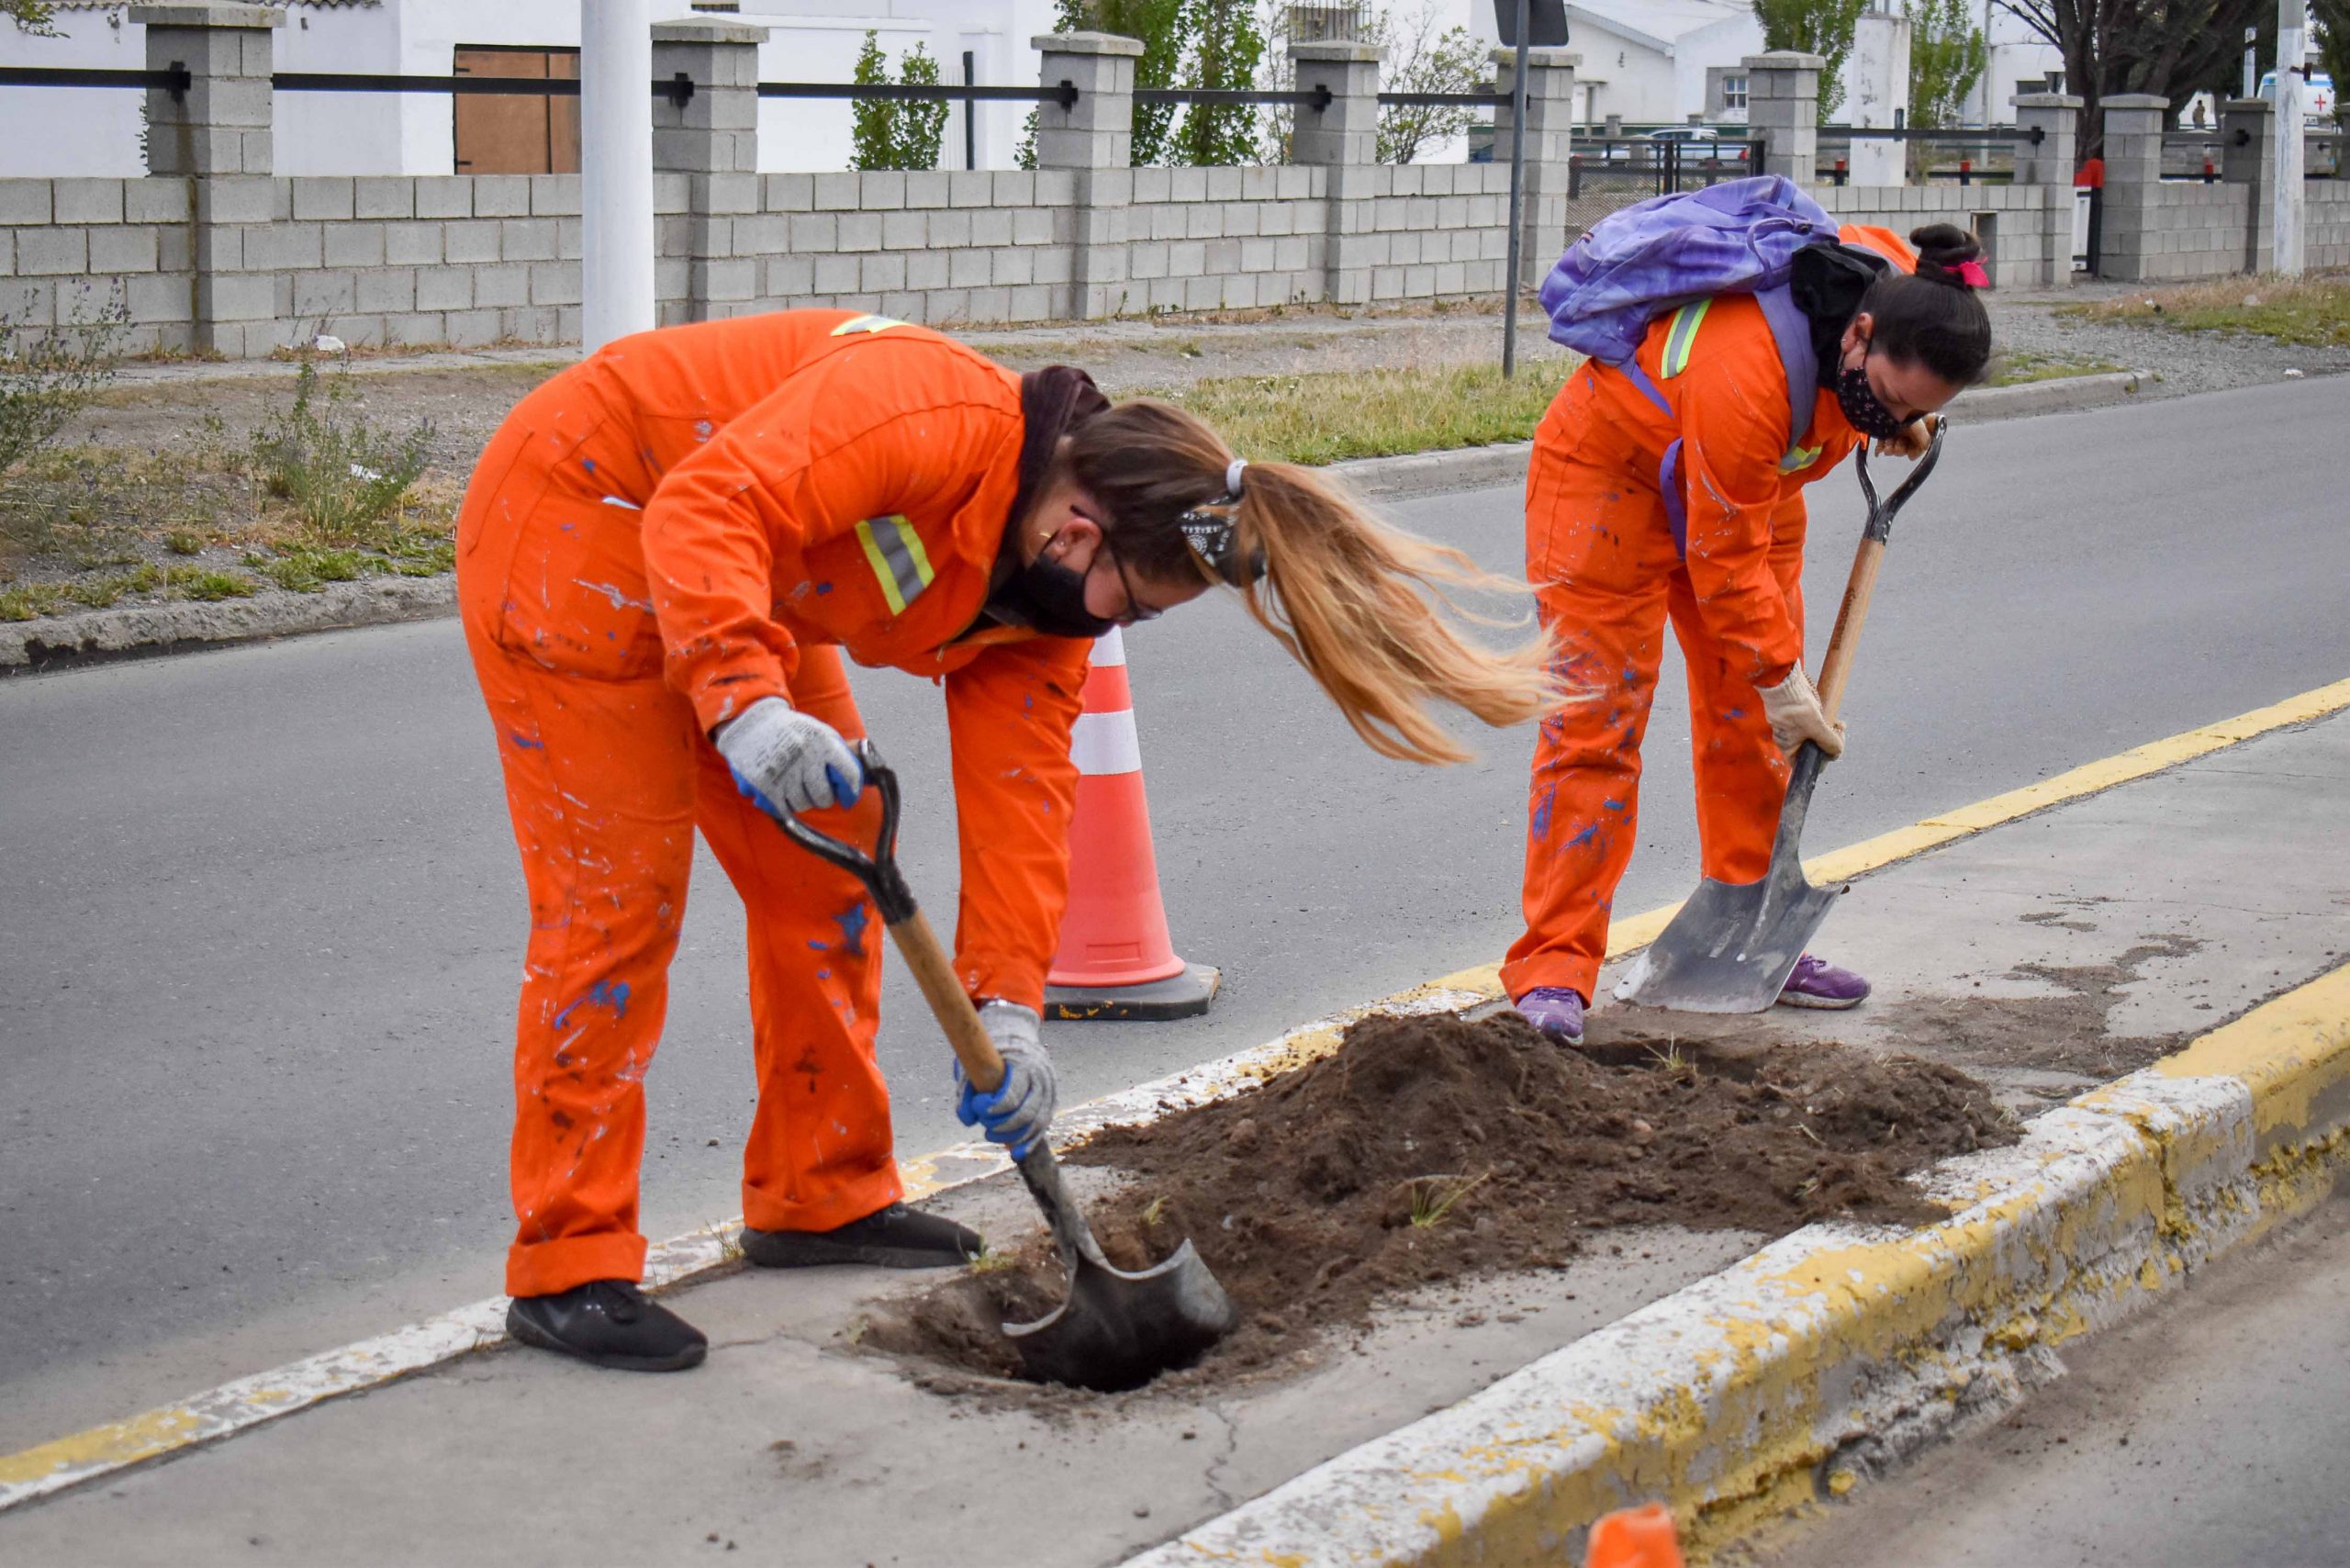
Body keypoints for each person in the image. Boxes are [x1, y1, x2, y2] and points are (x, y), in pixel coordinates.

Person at [454, 308, 1561, 1372]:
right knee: (618, 906)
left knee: (834, 877)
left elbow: (1021, 811)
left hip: (750, 581)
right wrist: (743, 700)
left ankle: (819, 1193)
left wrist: (1010, 1012)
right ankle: (569, 1262)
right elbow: (707, 505)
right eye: (1133, 604)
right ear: (1077, 529)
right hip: (584, 511)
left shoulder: (1043, 607)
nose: (1119, 625)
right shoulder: (924, 409)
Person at [1505, 223, 1994, 1047]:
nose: (1895, 417)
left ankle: (1753, 931)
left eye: (1917, 409)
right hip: (1610, 482)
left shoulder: (1913, 293)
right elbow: (1722, 562)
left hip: (1751, 495)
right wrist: (1781, 676)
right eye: (1890, 398)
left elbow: (1740, 537)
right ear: (1859, 333)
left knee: (1756, 728)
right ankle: (1553, 968)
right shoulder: (1748, 368)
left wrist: (1891, 415)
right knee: (1596, 726)